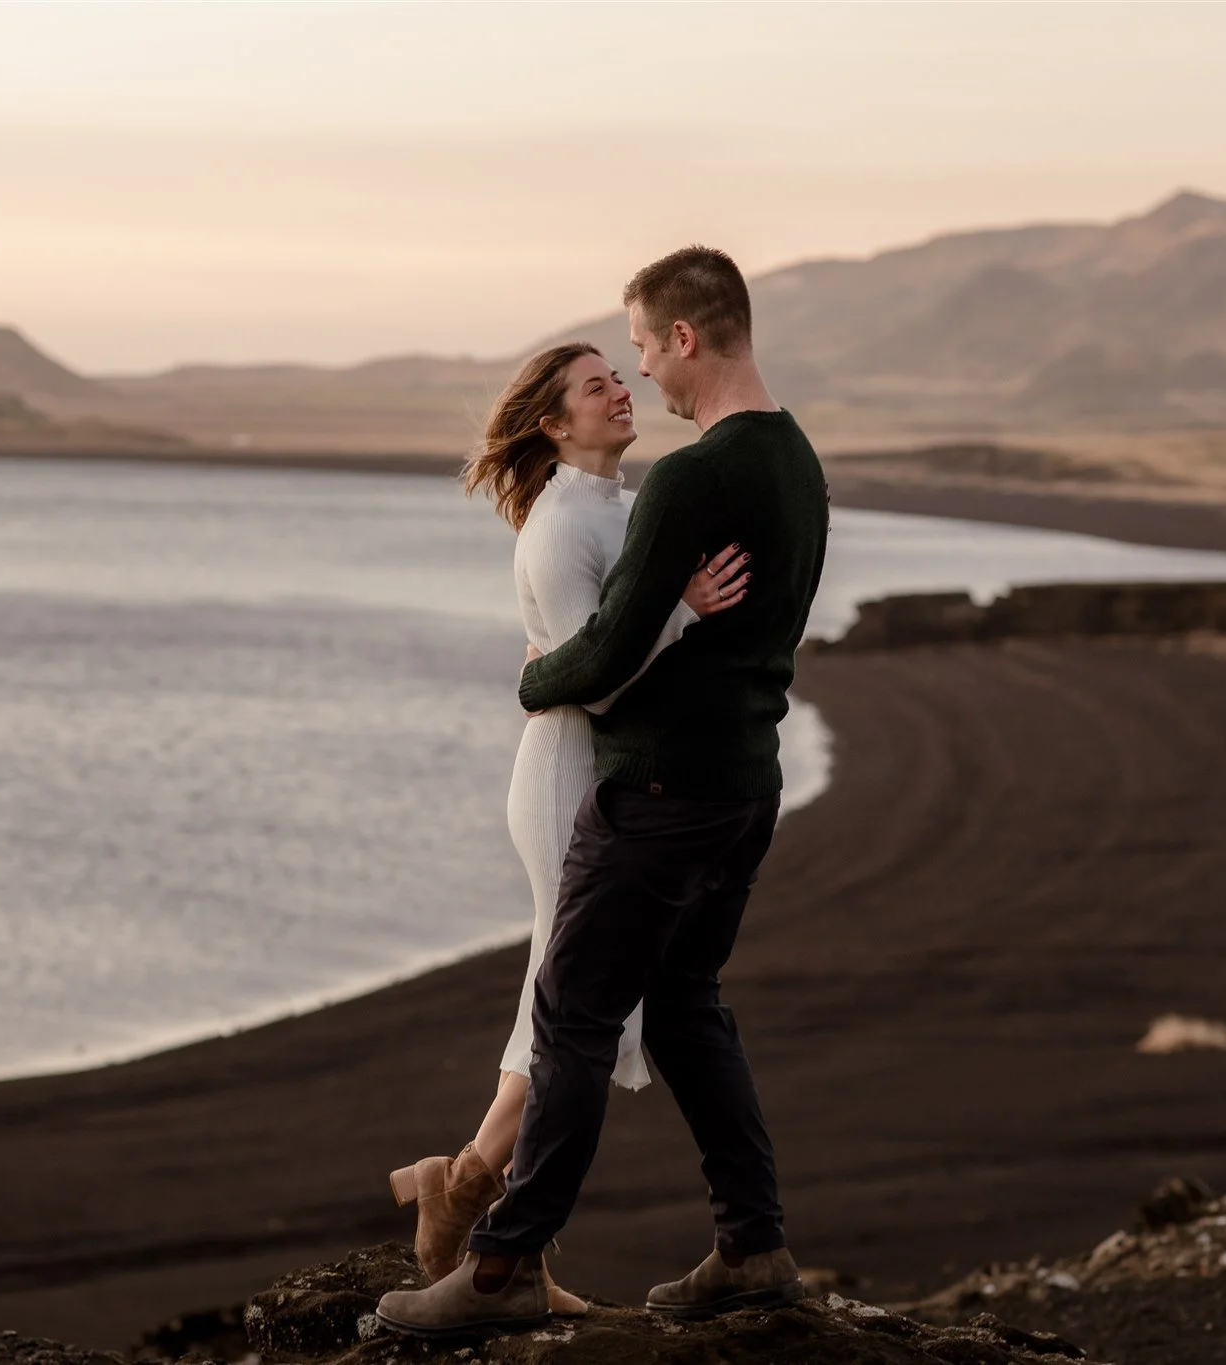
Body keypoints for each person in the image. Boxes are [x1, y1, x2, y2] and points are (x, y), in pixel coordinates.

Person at [378, 246, 829, 1337]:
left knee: (571, 1019)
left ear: (681, 336)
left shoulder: (686, 477)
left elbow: (596, 657)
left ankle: (497, 1272)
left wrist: (530, 677)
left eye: (637, 346)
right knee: (682, 1010)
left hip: (661, 789)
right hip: (746, 784)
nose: (638, 373)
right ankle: (754, 1246)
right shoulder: (795, 461)